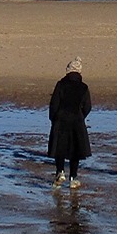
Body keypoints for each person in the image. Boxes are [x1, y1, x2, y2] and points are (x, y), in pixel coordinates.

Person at [48, 57, 92, 189]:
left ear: (67, 70)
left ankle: (60, 172)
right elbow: (87, 106)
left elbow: (54, 104)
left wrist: (53, 118)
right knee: (75, 151)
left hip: (61, 120)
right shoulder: (84, 87)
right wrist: (80, 116)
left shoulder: (60, 84)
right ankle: (73, 178)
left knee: (59, 148)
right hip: (77, 121)